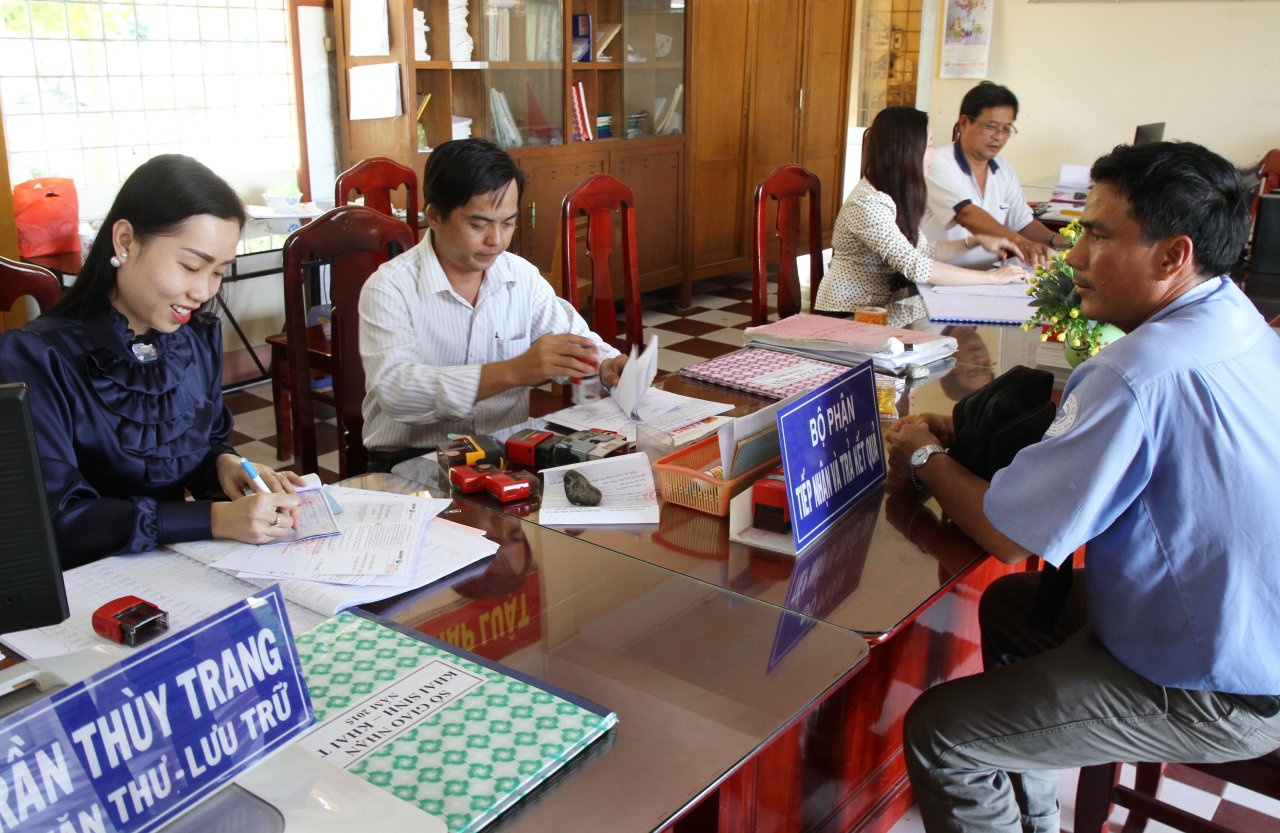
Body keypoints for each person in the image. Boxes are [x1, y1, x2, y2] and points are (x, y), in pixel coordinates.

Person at [885, 140, 1280, 833]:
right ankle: (1034, 818)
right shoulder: (1236, 319)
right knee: (1015, 609)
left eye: (1098, 235)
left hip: (1221, 685)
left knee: (943, 731)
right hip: (1252, 628)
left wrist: (921, 457)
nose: (1071, 256)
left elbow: (1008, 536)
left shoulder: (1138, 371)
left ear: (1171, 255)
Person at [0, 154, 303, 568]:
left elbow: (197, 446)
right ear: (125, 241)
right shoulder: (36, 357)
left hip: (178, 566)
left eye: (218, 272)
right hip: (89, 585)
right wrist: (213, 518)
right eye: (191, 266)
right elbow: (60, 518)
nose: (202, 291)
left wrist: (223, 464)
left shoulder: (193, 338)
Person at [359, 139, 625, 471]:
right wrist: (515, 370)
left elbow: (573, 337)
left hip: (504, 451)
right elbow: (398, 394)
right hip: (412, 457)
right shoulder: (389, 288)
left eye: (508, 223)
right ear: (435, 216)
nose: (496, 240)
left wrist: (605, 364)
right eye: (479, 224)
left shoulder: (520, 277)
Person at [814, 106, 1028, 329]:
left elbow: (924, 250)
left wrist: (974, 242)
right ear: (907, 151)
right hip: (851, 315)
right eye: (930, 145)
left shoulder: (896, 193)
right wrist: (991, 278)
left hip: (887, 309)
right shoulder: (868, 202)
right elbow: (916, 266)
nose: (933, 153)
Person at [921, 82, 1065, 270]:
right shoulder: (938, 163)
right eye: (991, 126)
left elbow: (1022, 222)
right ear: (964, 123)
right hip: (938, 278)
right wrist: (1020, 243)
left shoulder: (1003, 168)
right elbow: (966, 214)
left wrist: (1054, 239)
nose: (999, 136)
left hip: (989, 276)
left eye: (1006, 129)